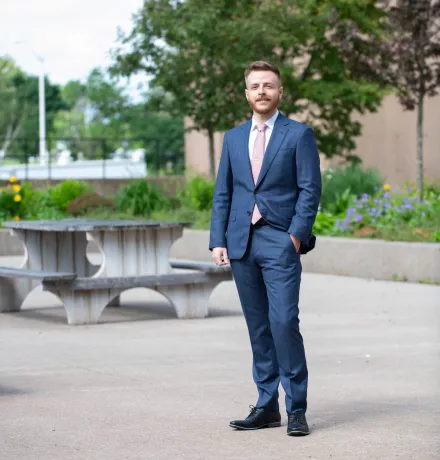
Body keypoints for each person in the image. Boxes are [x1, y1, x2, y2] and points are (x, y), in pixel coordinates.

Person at [209, 61, 322, 437]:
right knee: (258, 327)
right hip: (241, 242)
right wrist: (218, 239)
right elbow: (223, 191)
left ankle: (297, 409)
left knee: (284, 322)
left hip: (279, 239)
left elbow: (310, 189)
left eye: (268, 85)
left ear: (280, 93)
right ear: (246, 93)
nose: (261, 91)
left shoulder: (298, 134)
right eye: (255, 86)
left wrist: (295, 234)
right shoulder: (233, 137)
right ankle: (265, 405)